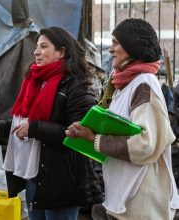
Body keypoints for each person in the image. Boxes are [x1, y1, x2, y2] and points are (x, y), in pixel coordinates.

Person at [66, 18, 179, 219]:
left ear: (132, 47)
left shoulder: (144, 84)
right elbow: (119, 129)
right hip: (124, 197)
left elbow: (146, 143)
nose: (110, 50)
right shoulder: (124, 85)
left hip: (141, 203)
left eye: (116, 43)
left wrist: (95, 139)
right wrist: (85, 132)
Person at [0, 27, 97, 220]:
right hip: (35, 176)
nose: (36, 52)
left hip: (61, 180)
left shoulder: (76, 85)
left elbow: (78, 134)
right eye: (37, 47)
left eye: (44, 47)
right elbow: (24, 120)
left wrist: (34, 129)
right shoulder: (35, 81)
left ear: (62, 52)